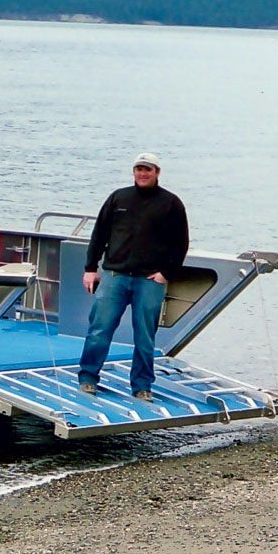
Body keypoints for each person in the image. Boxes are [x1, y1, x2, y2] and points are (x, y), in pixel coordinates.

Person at [78, 152, 189, 402]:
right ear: (134, 171)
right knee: (99, 329)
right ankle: (87, 378)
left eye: (148, 169)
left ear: (157, 172)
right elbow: (99, 235)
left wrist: (166, 274)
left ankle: (141, 386)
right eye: (139, 169)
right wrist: (90, 267)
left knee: (145, 337)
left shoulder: (171, 203)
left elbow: (180, 243)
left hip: (149, 280)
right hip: (115, 275)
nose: (142, 173)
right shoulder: (119, 197)